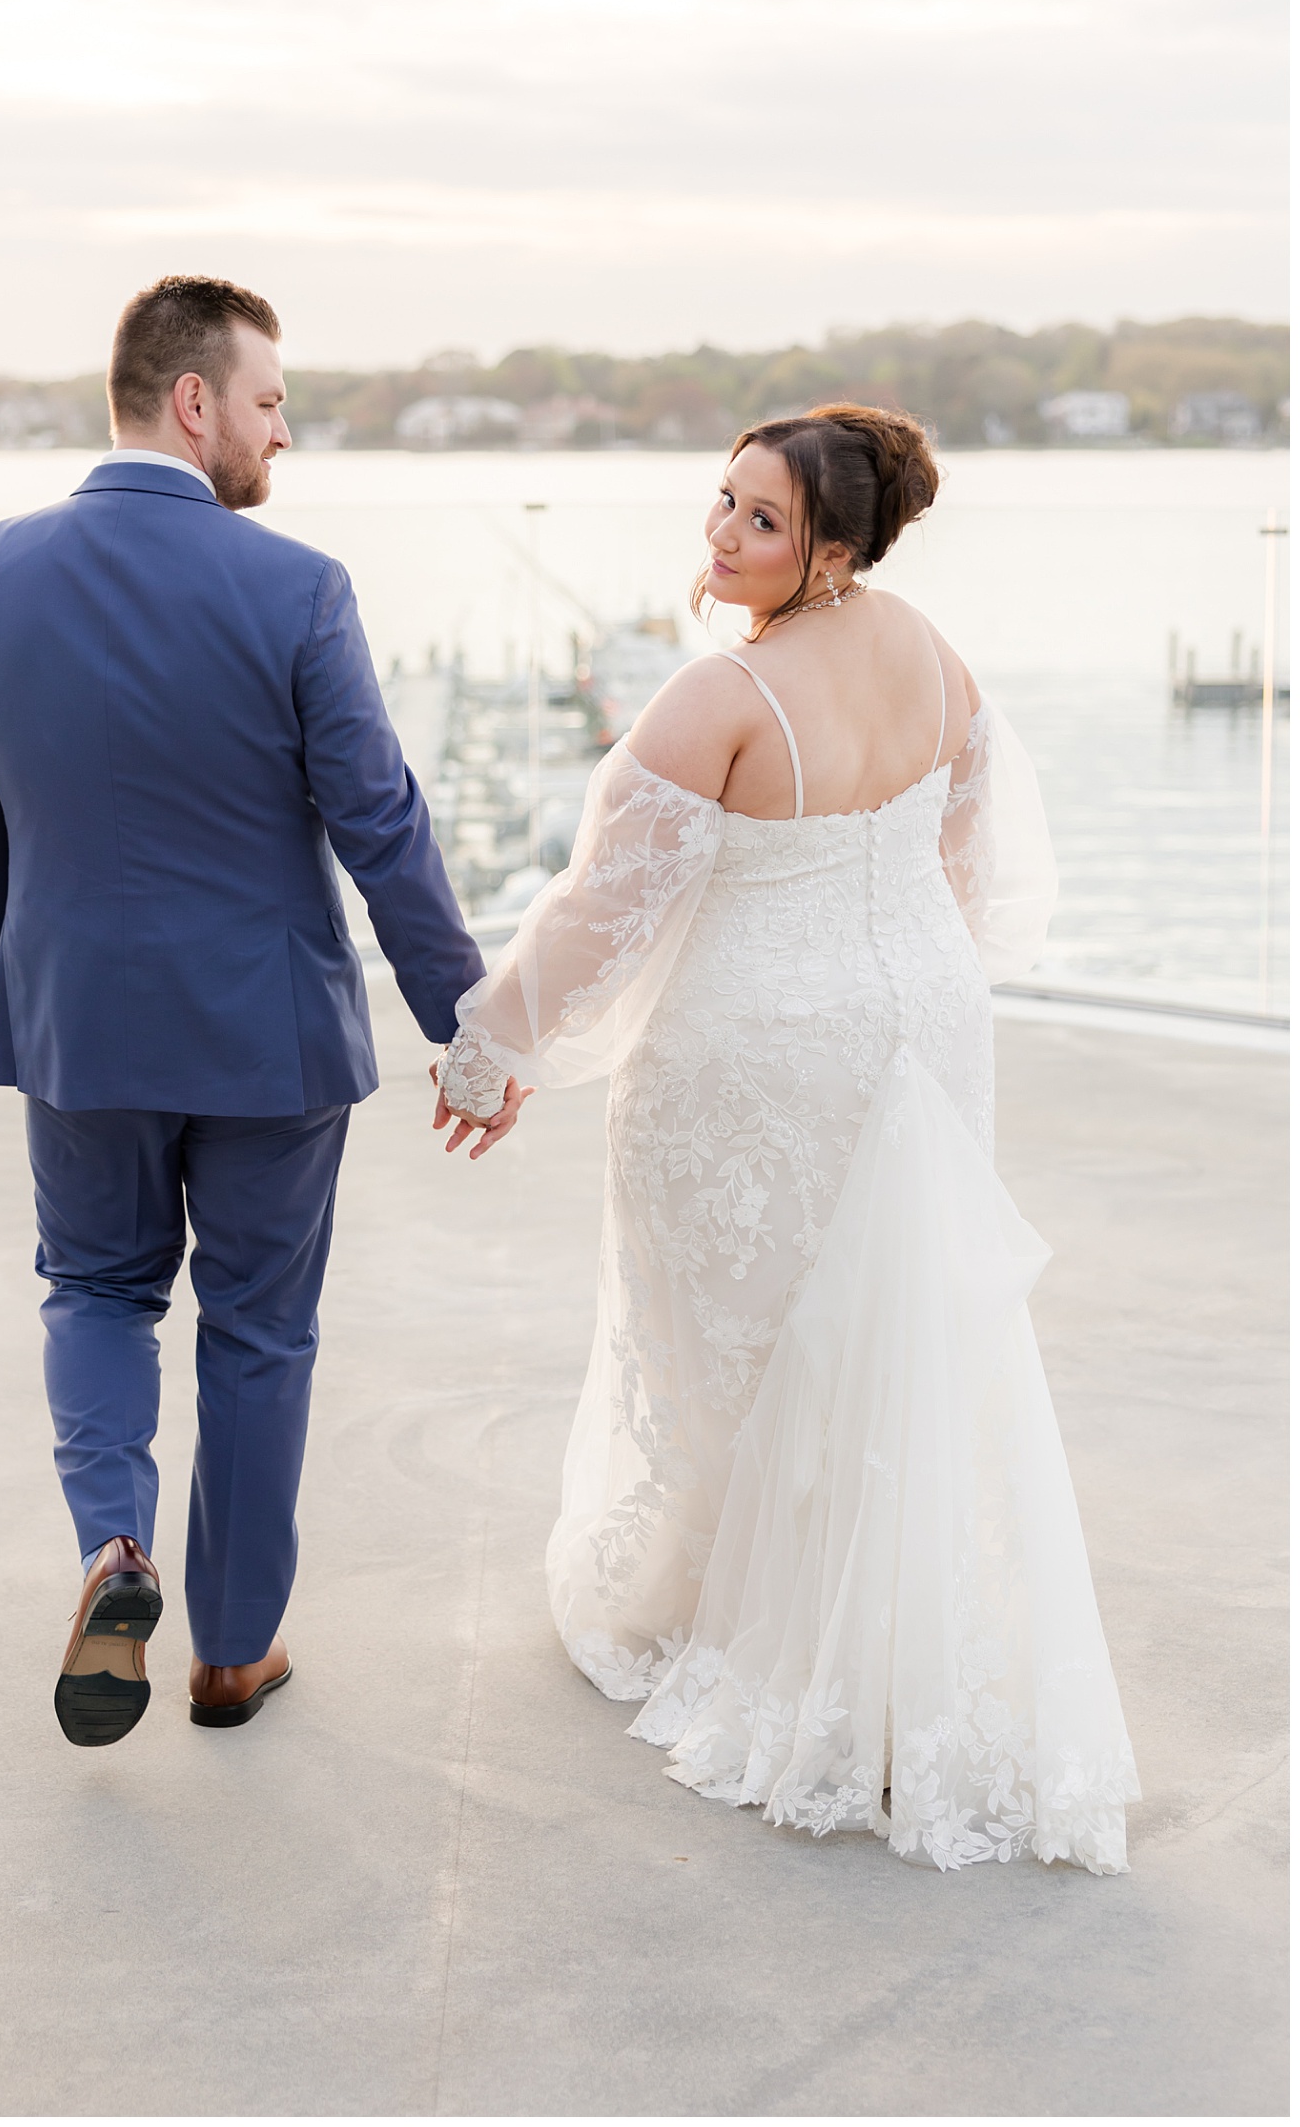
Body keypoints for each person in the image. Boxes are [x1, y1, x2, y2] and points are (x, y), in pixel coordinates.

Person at [434, 405, 1140, 1873]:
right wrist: (897, 965)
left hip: (762, 1052)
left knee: (736, 1332)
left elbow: (597, 918)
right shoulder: (931, 653)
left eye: (760, 519)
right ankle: (881, 1626)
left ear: (829, 550)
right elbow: (965, 853)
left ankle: (738, 1617)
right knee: (900, 1332)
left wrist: (492, 1046)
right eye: (722, 501)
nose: (720, 534)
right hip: (926, 1025)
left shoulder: (720, 696)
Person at [0, 274, 525, 1746]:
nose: (283, 432)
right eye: (269, 402)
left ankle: (114, 1550)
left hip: (79, 1023)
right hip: (268, 1034)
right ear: (193, 403)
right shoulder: (297, 587)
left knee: (97, 1289)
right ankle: (233, 1651)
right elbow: (378, 821)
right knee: (258, 1332)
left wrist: (10, 983)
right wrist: (467, 1023)